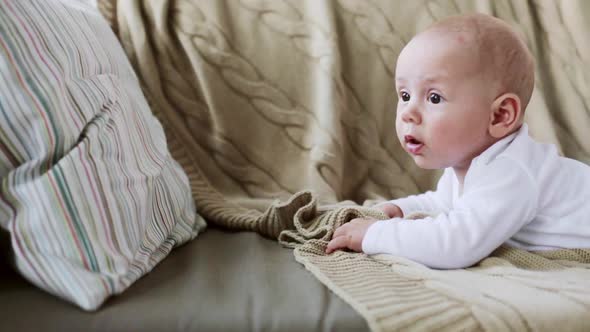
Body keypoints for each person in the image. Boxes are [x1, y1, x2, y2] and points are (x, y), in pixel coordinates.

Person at [325, 13, 590, 268]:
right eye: (404, 95)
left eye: (434, 98)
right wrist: (399, 209)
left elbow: (455, 244)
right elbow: (442, 204)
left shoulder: (510, 171)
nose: (408, 113)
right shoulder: (469, 166)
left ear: (499, 115)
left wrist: (375, 234)